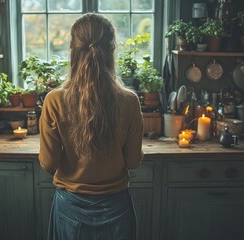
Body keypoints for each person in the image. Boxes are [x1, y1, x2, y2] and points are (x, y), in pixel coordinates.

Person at [39, 13, 144, 240]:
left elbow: (48, 164)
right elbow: (134, 162)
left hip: (71, 208)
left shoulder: (54, 100)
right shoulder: (129, 101)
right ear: (112, 50)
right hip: (117, 206)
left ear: (72, 49)